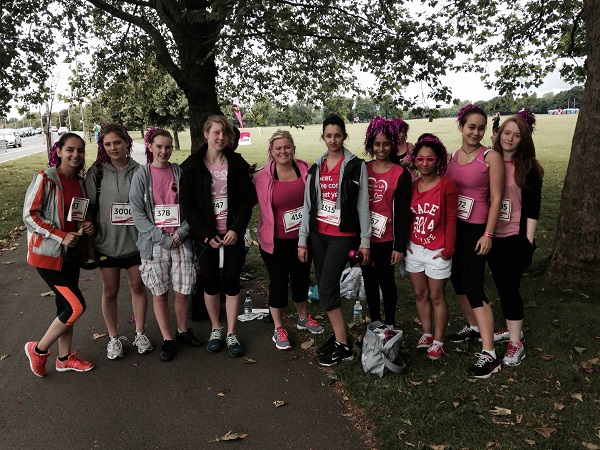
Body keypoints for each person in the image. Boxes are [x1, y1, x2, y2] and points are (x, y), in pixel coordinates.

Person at [298, 114, 371, 367]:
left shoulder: (355, 165)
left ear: (344, 136)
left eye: (337, 135)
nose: (333, 140)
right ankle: (340, 339)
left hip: (342, 236)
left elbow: (363, 206)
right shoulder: (316, 167)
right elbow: (308, 206)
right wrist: (302, 240)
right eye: (328, 136)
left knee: (328, 286)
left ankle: (344, 345)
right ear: (323, 137)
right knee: (323, 287)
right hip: (319, 235)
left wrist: (365, 241)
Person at [180, 115, 256, 357]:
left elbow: (247, 201)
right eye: (216, 132)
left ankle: (232, 332)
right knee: (211, 281)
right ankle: (216, 328)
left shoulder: (238, 164)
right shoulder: (191, 166)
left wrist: (236, 229)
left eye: (224, 133)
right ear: (206, 134)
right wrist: (204, 234)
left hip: (232, 233)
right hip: (206, 237)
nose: (221, 137)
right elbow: (188, 205)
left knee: (232, 282)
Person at [23, 133, 95, 376]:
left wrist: (87, 226)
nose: (75, 155)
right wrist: (59, 234)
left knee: (64, 306)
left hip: (71, 254)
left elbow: (77, 215)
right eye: (70, 150)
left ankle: (64, 359)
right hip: (48, 255)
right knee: (76, 306)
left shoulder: (81, 182)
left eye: (80, 151)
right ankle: (39, 349)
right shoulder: (45, 178)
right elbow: (29, 215)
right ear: (60, 151)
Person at [129, 128, 202, 362]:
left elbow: (193, 207)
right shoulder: (142, 175)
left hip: (180, 240)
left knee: (183, 291)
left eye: (168, 147)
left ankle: (181, 331)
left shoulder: (179, 173)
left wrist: (181, 233)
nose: (164, 151)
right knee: (159, 293)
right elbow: (138, 215)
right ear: (149, 147)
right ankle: (168, 338)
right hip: (155, 243)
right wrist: (162, 239)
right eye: (159, 146)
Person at [445, 104, 505, 378]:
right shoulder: (452, 157)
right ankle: (472, 326)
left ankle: (490, 351)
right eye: (471, 126)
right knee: (458, 280)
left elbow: (496, 200)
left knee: (474, 285)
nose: (476, 132)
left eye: (481, 127)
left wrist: (488, 234)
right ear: (461, 126)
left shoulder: (491, 157)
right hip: (456, 226)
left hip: (477, 229)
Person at [85, 123, 152, 360]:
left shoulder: (141, 170)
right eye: (108, 144)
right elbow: (90, 208)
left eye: (117, 142)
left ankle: (139, 332)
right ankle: (113, 338)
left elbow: (150, 204)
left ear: (126, 142)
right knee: (110, 291)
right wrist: (90, 228)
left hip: (135, 243)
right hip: (108, 244)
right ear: (103, 146)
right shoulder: (97, 172)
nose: (113, 148)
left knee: (137, 287)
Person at [254, 130, 324, 350]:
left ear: (293, 148)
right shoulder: (262, 177)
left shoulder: (306, 170)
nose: (283, 151)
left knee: (302, 278)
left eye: (287, 147)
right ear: (271, 151)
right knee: (278, 283)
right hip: (275, 241)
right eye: (278, 148)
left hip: (302, 239)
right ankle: (278, 327)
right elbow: (242, 198)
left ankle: (303, 318)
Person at [488, 111, 543, 366]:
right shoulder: (489, 160)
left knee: (510, 288)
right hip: (491, 235)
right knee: (501, 285)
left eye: (516, 135)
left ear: (524, 139)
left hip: (514, 236)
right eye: (506, 133)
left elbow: (533, 208)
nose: (510, 138)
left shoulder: (529, 167)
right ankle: (514, 330)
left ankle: (515, 343)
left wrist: (528, 242)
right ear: (499, 135)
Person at [405, 135, 458, 360]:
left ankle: (438, 340)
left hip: (438, 251)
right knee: (420, 293)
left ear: (438, 161)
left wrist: (448, 249)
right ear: (414, 161)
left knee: (437, 296)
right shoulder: (413, 185)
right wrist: (407, 240)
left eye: (430, 159)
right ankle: (426, 333)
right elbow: (408, 216)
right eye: (420, 159)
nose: (425, 163)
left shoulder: (447, 184)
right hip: (415, 248)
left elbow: (452, 218)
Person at [361, 117, 411, 329]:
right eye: (377, 144)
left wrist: (399, 246)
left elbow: (402, 213)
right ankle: (375, 322)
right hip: (365, 238)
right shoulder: (364, 168)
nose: (381, 148)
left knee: (387, 282)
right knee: (370, 282)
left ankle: (389, 323)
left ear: (393, 144)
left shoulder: (400, 174)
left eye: (386, 143)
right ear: (371, 145)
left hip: (386, 239)